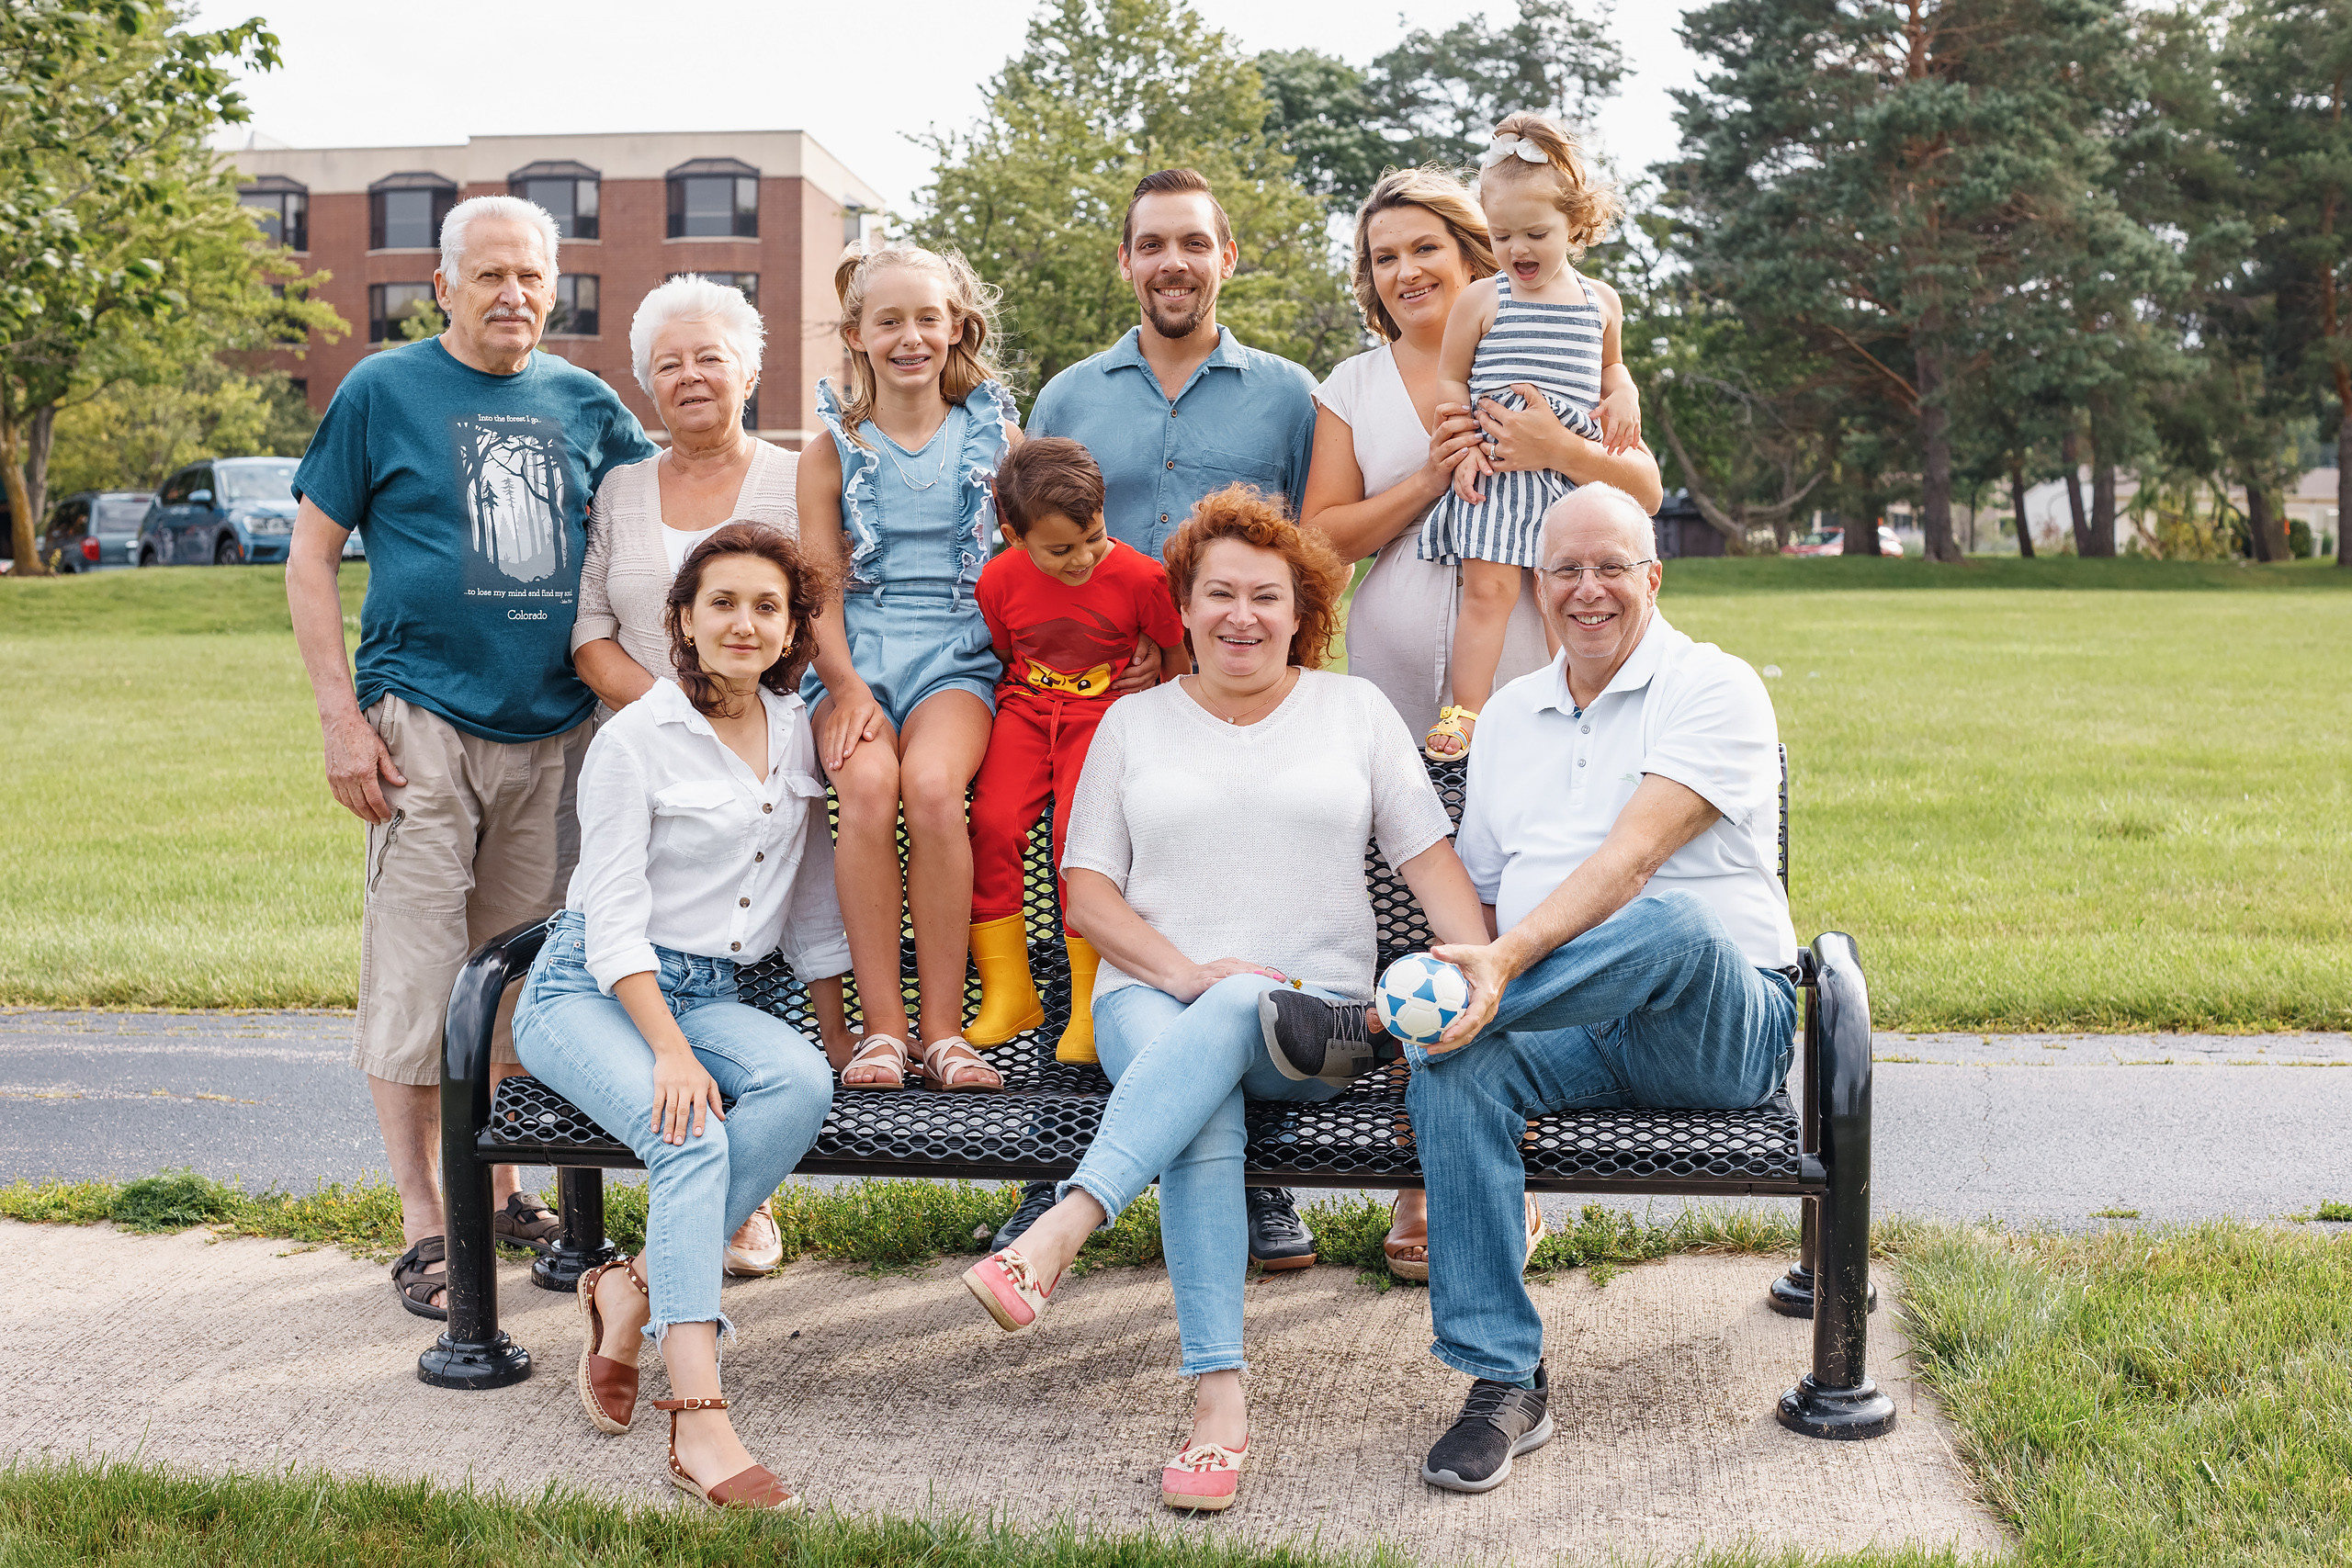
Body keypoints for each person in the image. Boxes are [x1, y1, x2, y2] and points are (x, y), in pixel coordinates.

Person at [956, 488, 1494, 1515]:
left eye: (1266, 597)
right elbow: (1090, 897)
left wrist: (1474, 971)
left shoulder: (1354, 714)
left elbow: (1430, 867)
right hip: (1150, 1000)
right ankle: (1217, 1402)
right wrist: (1190, 974)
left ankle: (1062, 1233)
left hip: (1319, 1027)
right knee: (1200, 1086)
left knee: (1227, 1031)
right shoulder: (1131, 724)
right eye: (1218, 595)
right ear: (1185, 607)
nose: (1241, 616)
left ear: (1303, 614)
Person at [1261, 484, 1799, 1496]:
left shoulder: (1713, 687)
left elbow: (1635, 863)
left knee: (1674, 923)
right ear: (1536, 586)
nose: (1585, 590)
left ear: (1652, 577)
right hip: (1566, 1021)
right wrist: (1469, 987)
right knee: (1456, 1068)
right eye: (1563, 570)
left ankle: (1374, 1032)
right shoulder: (1510, 714)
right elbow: (1487, 902)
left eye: (1609, 568)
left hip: (1713, 1027)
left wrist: (1497, 974)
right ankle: (1502, 1381)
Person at [286, 194, 659, 1319]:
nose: (512, 296)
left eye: (531, 278)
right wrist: (339, 718)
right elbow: (311, 560)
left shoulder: (585, 404)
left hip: (554, 732)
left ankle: (497, 1196)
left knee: (515, 983)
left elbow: (672, 513)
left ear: (556, 287)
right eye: (489, 275)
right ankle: (426, 1225)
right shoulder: (380, 391)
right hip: (421, 728)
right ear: (441, 286)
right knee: (415, 978)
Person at [1301, 165, 1664, 1280]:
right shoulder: (1353, 382)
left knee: (1516, 908)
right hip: (1401, 694)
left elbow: (1638, 486)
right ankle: (1419, 1170)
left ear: (1480, 250)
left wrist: (1559, 453)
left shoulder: (1551, 334)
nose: (1404, 270)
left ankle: (1494, 1169)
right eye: (1381, 256)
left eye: (1424, 248)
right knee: (1410, 917)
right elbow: (1320, 542)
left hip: (1532, 674)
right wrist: (1431, 475)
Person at [1008, 166, 1324, 1267]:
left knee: (1244, 916)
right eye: (1153, 244)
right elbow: (1028, 549)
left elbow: (1308, 549)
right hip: (1089, 709)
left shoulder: (1289, 394)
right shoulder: (1067, 399)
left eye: (1194, 242)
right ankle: (1058, 1159)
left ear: (1226, 257)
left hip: (1232, 703)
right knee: (1086, 928)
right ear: (1127, 262)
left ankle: (1257, 1184)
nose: (1173, 262)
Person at [515, 524, 842, 1513]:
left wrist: (838, 1030)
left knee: (801, 1083)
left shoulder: (797, 732)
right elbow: (610, 918)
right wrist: (666, 1050)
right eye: (722, 604)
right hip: (592, 990)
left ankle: (630, 1290)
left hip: (715, 994)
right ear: (684, 623)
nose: (744, 623)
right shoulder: (636, 737)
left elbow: (815, 905)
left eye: (766, 607)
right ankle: (697, 1416)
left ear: (791, 631)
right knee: (690, 1138)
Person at [570, 274, 850, 1278]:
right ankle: (702, 1225)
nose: (689, 376)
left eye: (708, 357)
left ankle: (734, 1205)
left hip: (775, 744)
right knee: (654, 936)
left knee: (756, 970)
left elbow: (817, 611)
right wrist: (677, 713)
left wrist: (746, 713)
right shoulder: (622, 490)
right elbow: (589, 633)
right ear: (645, 381)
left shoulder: (798, 473)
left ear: (749, 368)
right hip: (658, 758)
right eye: (668, 363)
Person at [797, 244, 1014, 1095]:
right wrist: (844, 686)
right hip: (854, 660)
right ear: (857, 335)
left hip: (959, 659)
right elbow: (818, 589)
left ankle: (944, 1031)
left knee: (929, 786)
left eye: (928, 318)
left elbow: (1036, 563)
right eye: (889, 321)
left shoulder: (996, 436)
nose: (910, 337)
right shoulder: (833, 449)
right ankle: (882, 1029)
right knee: (865, 785)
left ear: (957, 326)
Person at [1419, 113, 1644, 761]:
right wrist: (1460, 448)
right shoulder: (1482, 300)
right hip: (1497, 470)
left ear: (1576, 224)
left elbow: (1611, 367)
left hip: (1570, 482)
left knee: (1570, 596)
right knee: (1487, 594)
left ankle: (1580, 706)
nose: (1518, 248)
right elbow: (1451, 382)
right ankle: (1464, 711)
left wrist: (1623, 391)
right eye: (1502, 234)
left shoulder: (1600, 301)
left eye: (1537, 233)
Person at [964, 438, 1186, 1064]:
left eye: (1094, 536)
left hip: (1107, 715)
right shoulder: (998, 580)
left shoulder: (1144, 578)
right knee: (991, 819)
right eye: (1060, 549)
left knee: (1076, 839)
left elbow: (1175, 658)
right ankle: (1010, 991)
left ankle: (1090, 1002)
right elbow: (1011, 650)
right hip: (1029, 709)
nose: (1084, 557)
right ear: (1013, 535)